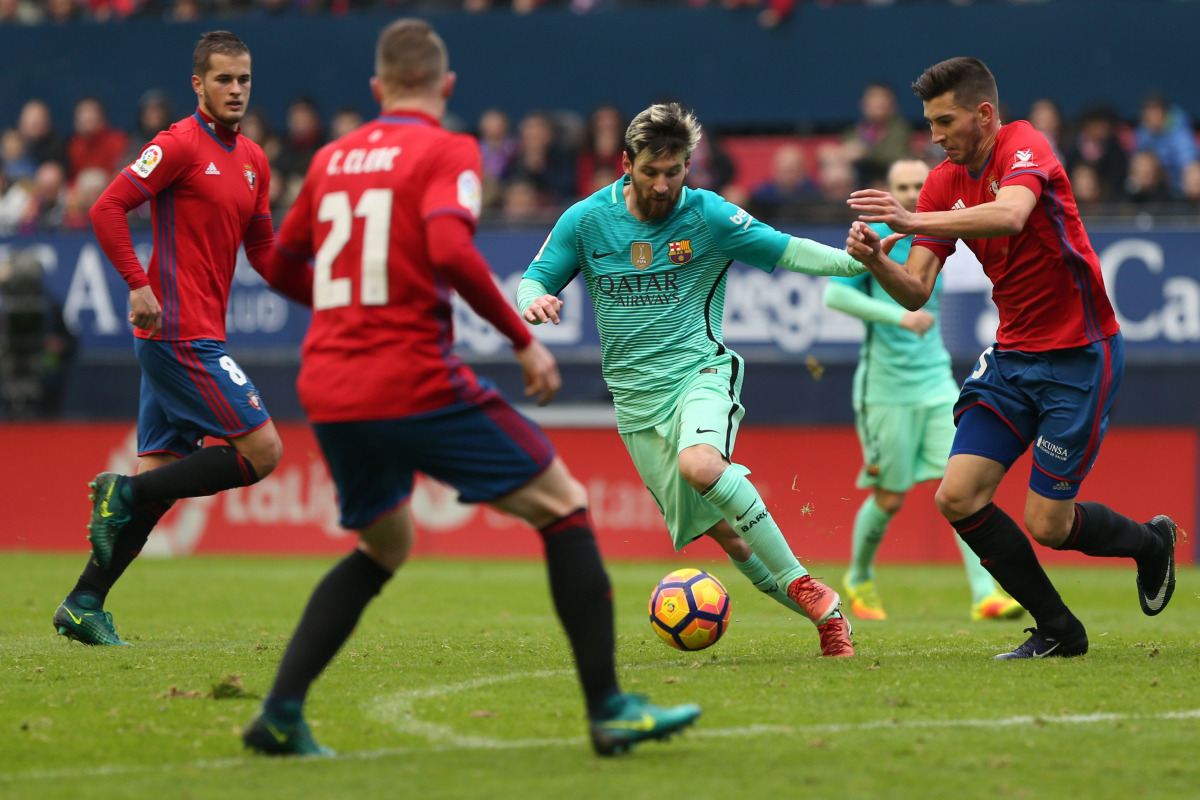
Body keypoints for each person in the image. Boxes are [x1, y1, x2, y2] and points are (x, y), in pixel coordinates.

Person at [240, 18, 700, 759]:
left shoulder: (330, 158)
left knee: (383, 543)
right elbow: (450, 246)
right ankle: (609, 707)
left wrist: (342, 302)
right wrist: (522, 341)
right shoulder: (449, 148)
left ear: (375, 89)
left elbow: (280, 262)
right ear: (447, 87)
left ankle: (281, 713)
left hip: (329, 385)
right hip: (411, 377)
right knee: (564, 506)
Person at [846, 57, 1178, 660]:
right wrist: (875, 259)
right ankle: (1058, 630)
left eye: (945, 121)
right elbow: (917, 287)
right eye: (928, 123)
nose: (936, 135)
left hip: (1082, 356)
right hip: (1013, 358)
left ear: (985, 114)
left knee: (1049, 524)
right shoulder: (942, 183)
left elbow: (1012, 214)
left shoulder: (1025, 145)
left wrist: (911, 216)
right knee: (957, 495)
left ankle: (1151, 545)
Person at [519, 102, 864, 659]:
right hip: (635, 404)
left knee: (701, 464)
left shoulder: (709, 217)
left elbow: (790, 250)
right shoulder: (586, 220)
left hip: (698, 373)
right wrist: (535, 300)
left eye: (674, 171)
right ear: (625, 163)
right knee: (727, 534)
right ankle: (827, 616)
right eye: (651, 171)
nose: (662, 184)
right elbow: (536, 276)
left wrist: (858, 261)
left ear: (688, 166)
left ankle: (808, 586)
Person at [51, 31, 310, 647]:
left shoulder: (254, 159)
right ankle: (123, 491)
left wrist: (319, 292)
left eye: (244, 79)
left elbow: (265, 251)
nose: (237, 90)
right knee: (264, 451)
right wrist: (137, 285)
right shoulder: (177, 145)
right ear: (199, 85)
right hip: (178, 335)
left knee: (161, 480)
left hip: (194, 333)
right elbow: (106, 208)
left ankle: (84, 601)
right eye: (224, 79)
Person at [824, 156, 1022, 623]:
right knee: (890, 497)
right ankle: (858, 576)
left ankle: (984, 594)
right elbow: (835, 295)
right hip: (884, 389)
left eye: (919, 184)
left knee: (963, 489)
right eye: (903, 185)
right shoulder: (874, 241)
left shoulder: (936, 235)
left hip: (934, 383)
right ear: (887, 191)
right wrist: (900, 315)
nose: (913, 192)